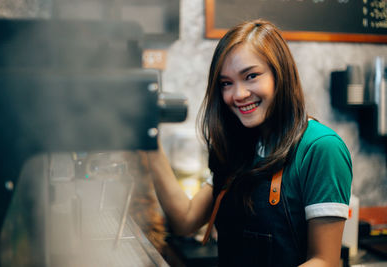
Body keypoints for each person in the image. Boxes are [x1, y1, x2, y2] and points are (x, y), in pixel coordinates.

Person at [143, 19, 352, 267]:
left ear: (280, 74)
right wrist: (148, 141)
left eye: (251, 76)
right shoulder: (239, 146)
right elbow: (185, 221)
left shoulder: (321, 148)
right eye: (226, 83)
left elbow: (325, 261)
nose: (238, 94)